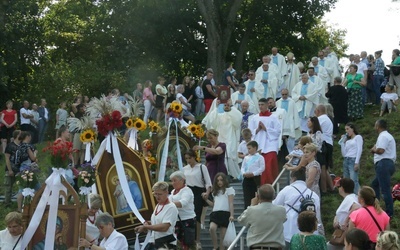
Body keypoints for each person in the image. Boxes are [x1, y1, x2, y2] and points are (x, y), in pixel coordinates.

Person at [273, 168, 323, 248]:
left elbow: (274, 207)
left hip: (289, 233)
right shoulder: (313, 195)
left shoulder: (287, 190)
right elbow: (317, 217)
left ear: (293, 178)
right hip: (310, 236)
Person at [201, 102, 242, 180]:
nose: (225, 106)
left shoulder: (231, 112)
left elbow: (237, 121)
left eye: (227, 105)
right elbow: (213, 122)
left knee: (229, 155)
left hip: (230, 137)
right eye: (225, 105)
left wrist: (230, 109)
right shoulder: (217, 113)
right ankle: (223, 174)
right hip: (219, 137)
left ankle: (231, 174)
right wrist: (216, 107)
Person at [238, 184, 286, 250]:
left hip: (257, 247)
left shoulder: (252, 210)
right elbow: (284, 219)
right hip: (276, 247)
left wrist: (252, 205)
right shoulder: (281, 210)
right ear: (274, 196)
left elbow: (241, 220)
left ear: (258, 196)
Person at [135, 182, 178, 249]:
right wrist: (148, 223)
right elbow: (157, 222)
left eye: (159, 194)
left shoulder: (171, 207)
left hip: (166, 243)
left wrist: (146, 227)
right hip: (155, 241)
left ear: (166, 192)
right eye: (155, 194)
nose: (157, 197)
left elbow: (164, 227)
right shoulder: (158, 205)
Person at [248, 98, 281, 185]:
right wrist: (258, 129)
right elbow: (250, 132)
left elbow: (278, 131)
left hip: (270, 145)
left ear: (267, 105)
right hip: (259, 145)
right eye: (259, 105)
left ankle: (270, 185)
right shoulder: (255, 118)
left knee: (269, 167)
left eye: (262, 105)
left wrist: (266, 129)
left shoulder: (273, 117)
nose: (260, 107)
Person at [183, 149, 212, 248]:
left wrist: (207, 193)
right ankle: (190, 239)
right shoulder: (185, 168)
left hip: (199, 191)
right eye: (186, 158)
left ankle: (197, 240)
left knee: (197, 216)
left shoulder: (201, 167)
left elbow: (208, 182)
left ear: (194, 157)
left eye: (190, 158)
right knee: (189, 215)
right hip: (188, 192)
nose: (188, 160)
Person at [370, 119, 396, 217]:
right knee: (374, 184)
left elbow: (380, 150)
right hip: (387, 164)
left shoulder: (383, 136)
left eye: (375, 125)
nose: (374, 127)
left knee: (385, 189)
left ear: (378, 126)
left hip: (383, 164)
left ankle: (389, 213)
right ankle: (376, 206)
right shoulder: (387, 136)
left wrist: (373, 150)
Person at [327, 178, 361, 250]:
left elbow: (356, 207)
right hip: (342, 231)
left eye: (339, 187)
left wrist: (346, 221)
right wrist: (336, 220)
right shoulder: (352, 197)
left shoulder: (349, 199)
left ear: (342, 188)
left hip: (345, 232)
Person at [203, 173, 235, 250]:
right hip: (215, 213)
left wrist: (232, 215)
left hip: (225, 213)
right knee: (212, 228)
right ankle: (215, 247)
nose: (219, 182)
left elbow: (231, 203)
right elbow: (214, 205)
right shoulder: (215, 192)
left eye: (221, 180)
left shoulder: (229, 190)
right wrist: (206, 200)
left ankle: (221, 248)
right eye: (217, 180)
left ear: (224, 180)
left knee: (223, 236)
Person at [169, 171, 196, 250]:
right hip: (176, 220)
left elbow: (182, 203)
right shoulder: (172, 192)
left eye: (175, 180)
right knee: (178, 244)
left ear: (182, 180)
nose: (173, 183)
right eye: (172, 181)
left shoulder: (187, 190)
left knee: (186, 243)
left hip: (187, 220)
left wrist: (168, 204)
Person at [314, 104, 334, 193]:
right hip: (329, 143)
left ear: (318, 111)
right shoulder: (328, 119)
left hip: (323, 144)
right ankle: (331, 187)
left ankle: (324, 189)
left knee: (322, 167)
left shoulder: (320, 119)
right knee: (325, 169)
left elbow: (315, 129)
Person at [240, 140, 265, 209]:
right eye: (247, 149)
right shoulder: (246, 158)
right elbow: (243, 167)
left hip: (255, 178)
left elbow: (262, 168)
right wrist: (244, 173)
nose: (248, 150)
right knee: (247, 197)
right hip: (246, 179)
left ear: (255, 148)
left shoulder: (260, 157)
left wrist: (253, 173)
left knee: (255, 196)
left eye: (249, 148)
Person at [340, 123, 363, 194]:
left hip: (353, 159)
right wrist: (342, 143)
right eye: (345, 129)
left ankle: (359, 195)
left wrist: (356, 162)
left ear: (352, 129)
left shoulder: (358, 137)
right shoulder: (347, 141)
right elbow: (344, 154)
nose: (346, 131)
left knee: (353, 180)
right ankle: (349, 196)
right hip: (346, 159)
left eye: (348, 129)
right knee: (346, 180)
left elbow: (359, 149)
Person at [276, 88, 300, 153]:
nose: (284, 96)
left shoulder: (292, 102)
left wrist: (296, 124)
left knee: (291, 139)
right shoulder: (278, 102)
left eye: (285, 94)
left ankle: (291, 152)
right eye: (283, 94)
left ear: (288, 94)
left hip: (290, 123)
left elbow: (295, 113)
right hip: (281, 123)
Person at [3, 130, 21, 207]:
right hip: (10, 169)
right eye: (20, 134)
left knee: (21, 186)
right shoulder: (10, 146)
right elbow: (7, 158)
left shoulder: (22, 146)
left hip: (19, 170)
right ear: (17, 136)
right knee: (8, 187)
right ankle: (7, 203)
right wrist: (10, 170)